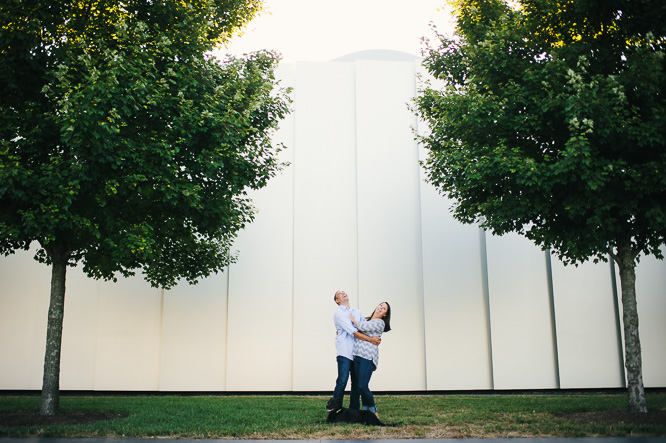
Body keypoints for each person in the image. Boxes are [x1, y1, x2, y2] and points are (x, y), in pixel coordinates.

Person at [332, 290, 381, 409]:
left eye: (344, 292)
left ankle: (354, 410)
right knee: (342, 380)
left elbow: (365, 327)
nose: (343, 293)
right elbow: (354, 332)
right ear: (337, 300)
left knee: (356, 383)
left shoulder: (357, 312)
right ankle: (335, 409)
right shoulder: (339, 314)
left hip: (357, 352)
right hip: (345, 352)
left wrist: (378, 334)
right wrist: (371, 340)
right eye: (340, 293)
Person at [350, 301, 391, 416]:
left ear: (385, 314)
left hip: (367, 357)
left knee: (362, 385)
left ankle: (373, 411)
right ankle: (361, 411)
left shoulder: (380, 323)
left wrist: (353, 320)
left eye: (383, 309)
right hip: (357, 355)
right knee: (357, 386)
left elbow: (361, 327)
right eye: (380, 305)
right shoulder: (365, 319)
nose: (380, 308)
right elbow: (353, 330)